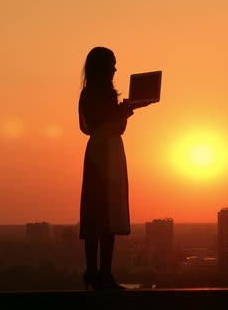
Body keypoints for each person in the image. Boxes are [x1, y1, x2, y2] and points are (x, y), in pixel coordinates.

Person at [78, 46, 149, 291]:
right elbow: (104, 124)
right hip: (105, 152)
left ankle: (95, 272)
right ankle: (101, 273)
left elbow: (101, 124)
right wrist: (126, 109)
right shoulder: (97, 95)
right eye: (112, 65)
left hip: (103, 150)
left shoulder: (90, 94)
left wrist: (124, 110)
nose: (115, 69)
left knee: (99, 211)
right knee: (104, 211)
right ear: (103, 67)